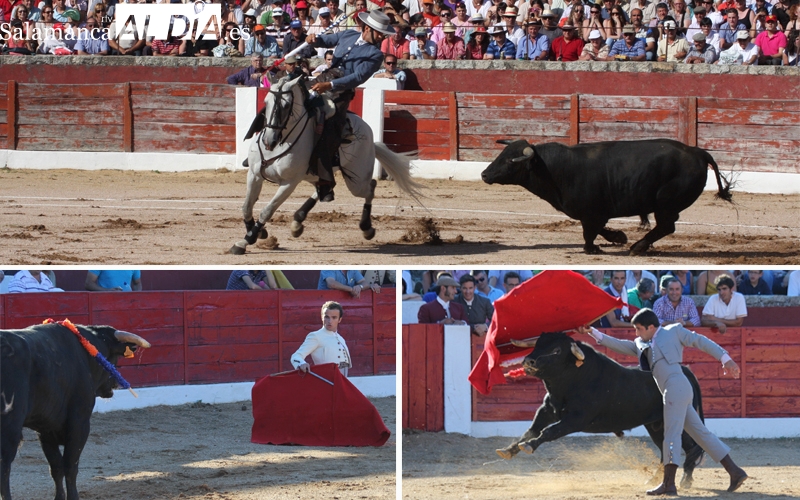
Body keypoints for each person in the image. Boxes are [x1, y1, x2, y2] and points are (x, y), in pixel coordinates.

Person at [577, 309, 748, 496]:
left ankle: (668, 484)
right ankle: (735, 472)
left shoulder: (673, 330)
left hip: (676, 387)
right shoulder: (642, 343)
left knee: (671, 435)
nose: (636, 333)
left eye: (639, 329)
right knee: (701, 434)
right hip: (672, 389)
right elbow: (619, 345)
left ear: (651, 327)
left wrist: (726, 359)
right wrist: (592, 332)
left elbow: (701, 341)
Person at [305, 10, 395, 203]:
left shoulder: (375, 54)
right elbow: (328, 40)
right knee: (288, 98)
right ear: (368, 29)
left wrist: (330, 86)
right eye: (380, 33)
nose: (382, 37)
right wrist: (314, 39)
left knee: (330, 124)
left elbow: (357, 78)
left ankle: (325, 180)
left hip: (340, 91)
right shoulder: (348, 34)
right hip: (324, 78)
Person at [291, 301, 352, 376]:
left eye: (334, 318)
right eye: (327, 317)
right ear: (322, 317)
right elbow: (296, 356)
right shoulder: (316, 336)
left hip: (343, 377)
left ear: (339, 320)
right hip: (326, 377)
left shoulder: (341, 339)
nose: (330, 321)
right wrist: (301, 364)